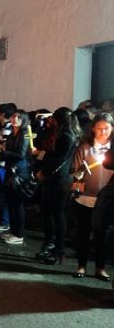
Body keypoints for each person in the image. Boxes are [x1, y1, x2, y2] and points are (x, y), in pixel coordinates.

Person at [71, 113, 114, 280]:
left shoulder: (112, 151)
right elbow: (75, 171)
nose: (103, 132)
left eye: (107, 128)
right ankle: (81, 265)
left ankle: (100, 267)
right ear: (93, 129)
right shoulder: (85, 147)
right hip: (85, 198)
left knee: (102, 234)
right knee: (83, 232)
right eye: (99, 128)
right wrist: (79, 176)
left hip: (106, 199)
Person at [35, 107, 80, 264]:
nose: (51, 121)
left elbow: (58, 160)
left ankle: (56, 248)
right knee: (55, 214)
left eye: (53, 118)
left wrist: (43, 158)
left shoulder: (65, 137)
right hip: (61, 179)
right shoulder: (70, 135)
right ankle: (53, 247)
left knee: (55, 214)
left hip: (57, 180)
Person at [0, 110, 31, 245]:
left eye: (19, 117)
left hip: (19, 172)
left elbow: (20, 154)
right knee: (10, 201)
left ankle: (19, 233)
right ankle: (13, 230)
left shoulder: (24, 135)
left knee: (17, 202)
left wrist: (2, 153)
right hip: (10, 169)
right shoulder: (12, 135)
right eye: (14, 116)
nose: (15, 119)